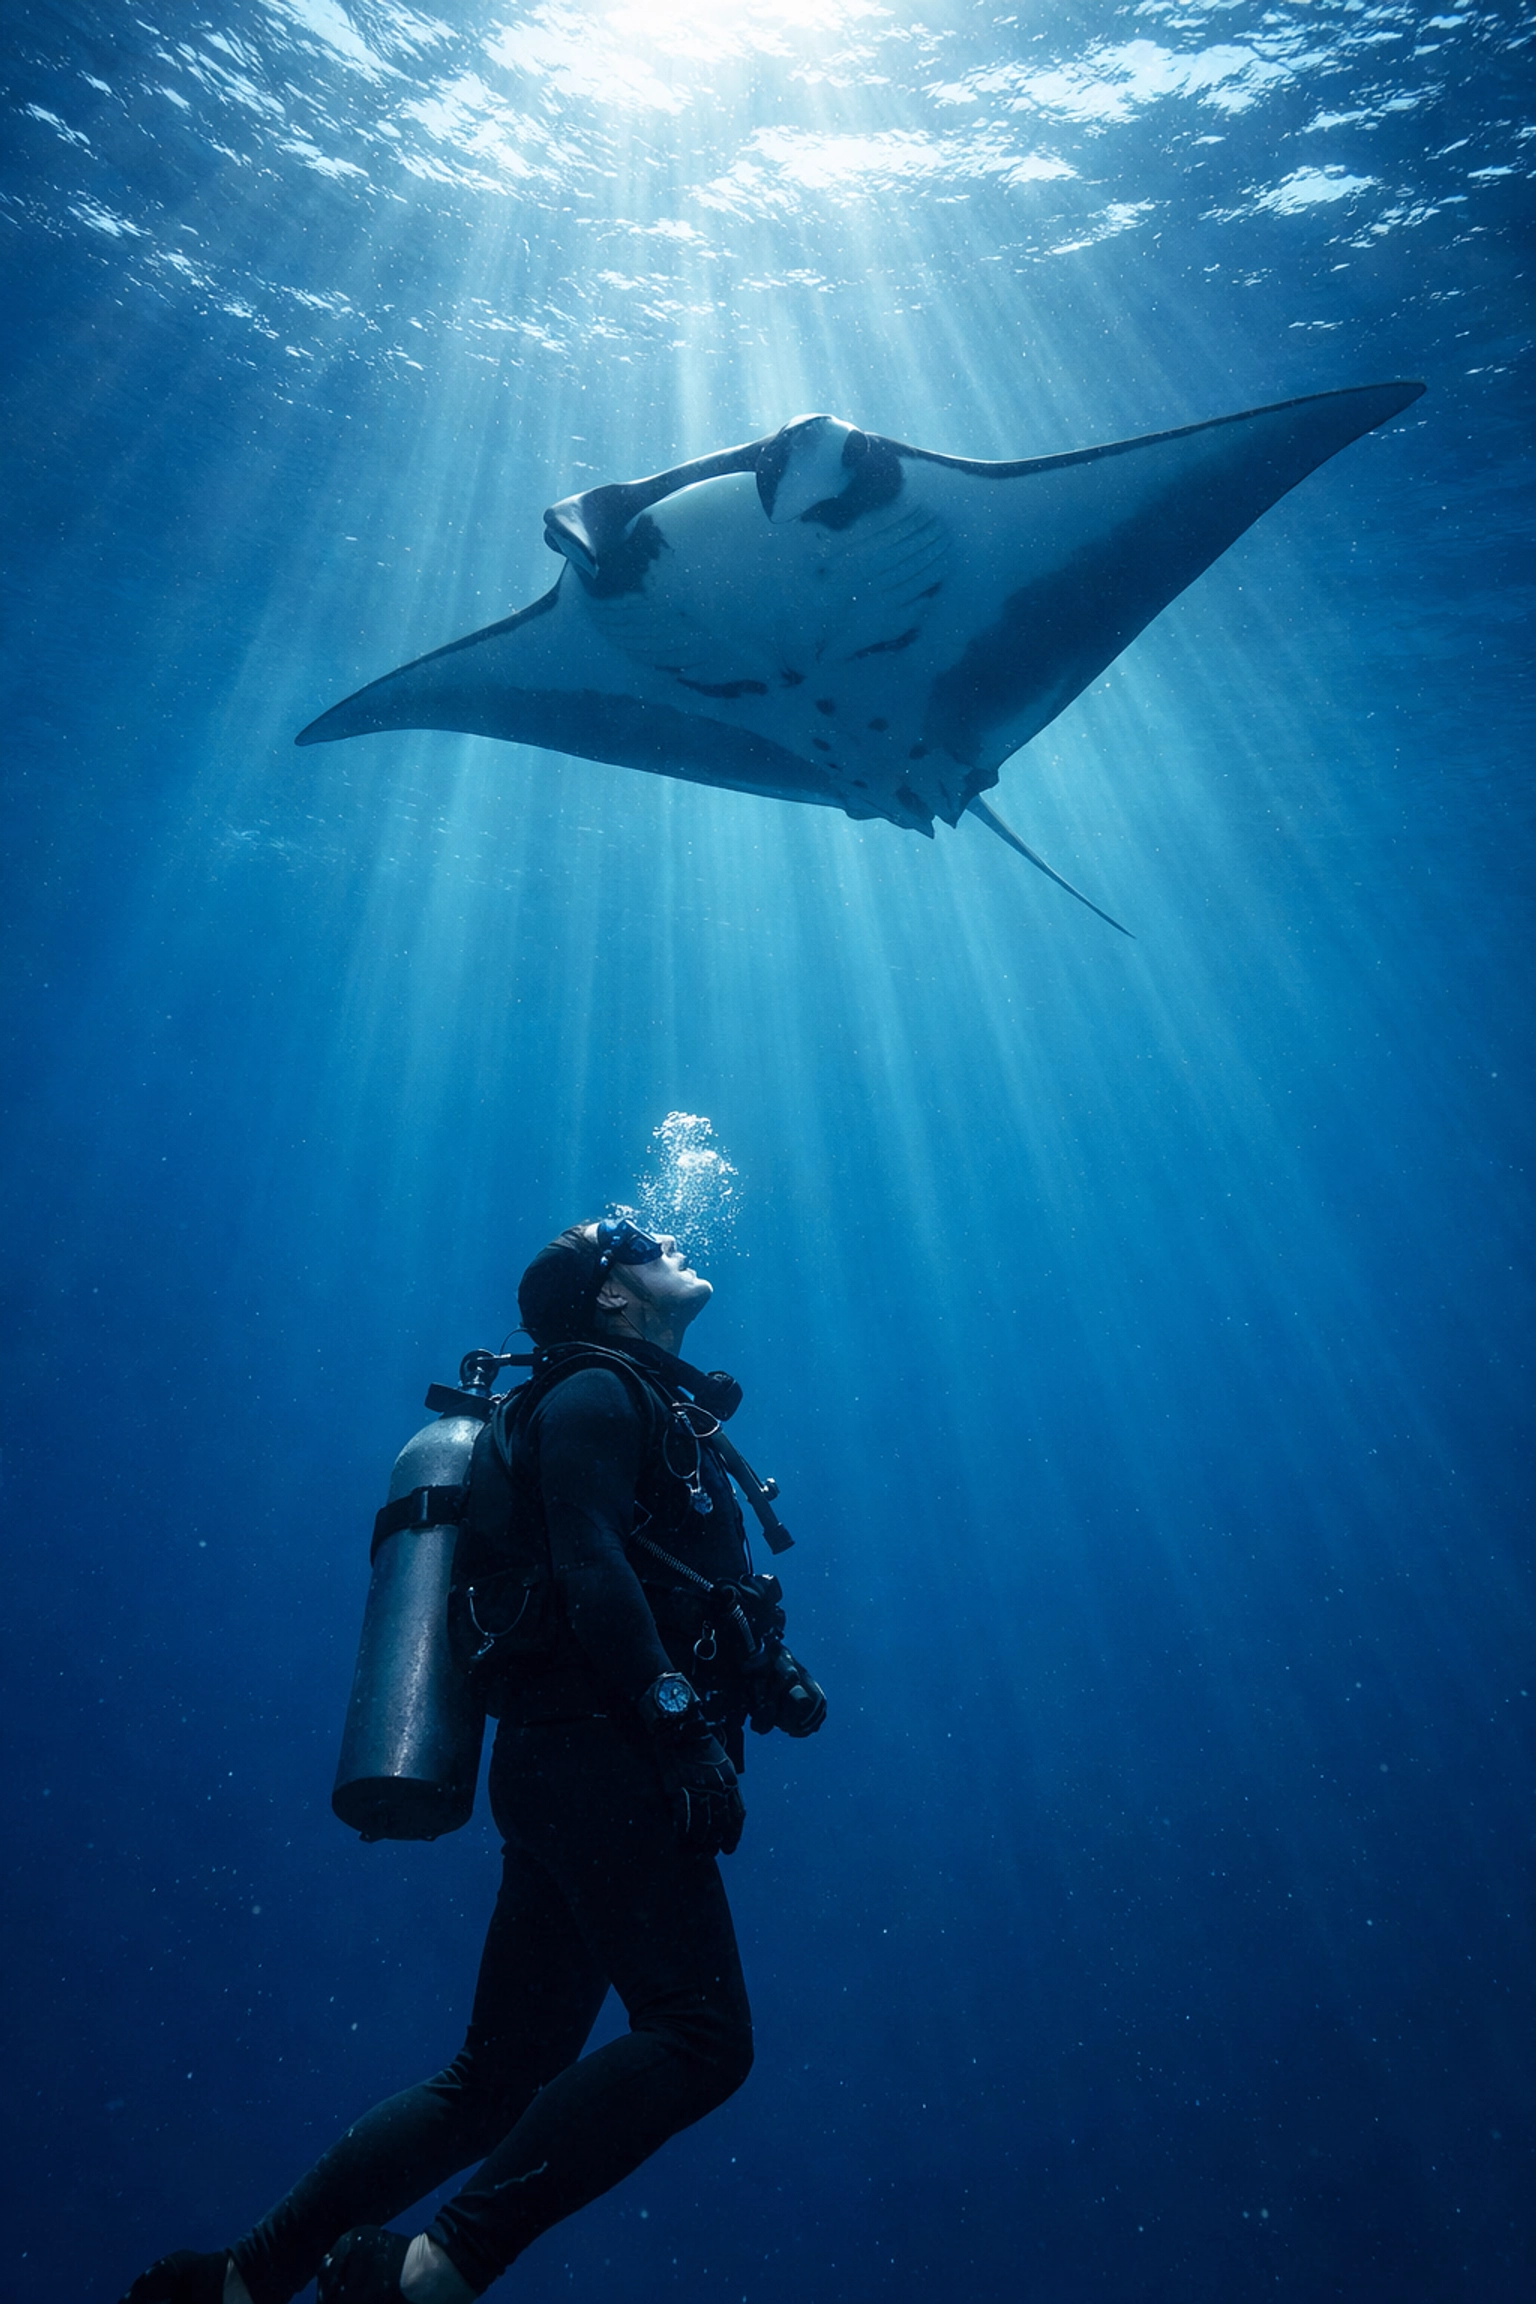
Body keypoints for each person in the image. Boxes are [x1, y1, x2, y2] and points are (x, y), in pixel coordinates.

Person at [121, 1218, 826, 2304]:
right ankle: (427, 2272)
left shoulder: (643, 1408)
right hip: (605, 1762)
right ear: (607, 1296)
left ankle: (241, 2281)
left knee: (495, 2077)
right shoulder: (595, 1395)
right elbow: (591, 1566)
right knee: (701, 2036)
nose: (670, 1238)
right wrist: (681, 1727)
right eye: (638, 1237)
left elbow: (665, 1582)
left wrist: (764, 1674)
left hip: (562, 1768)